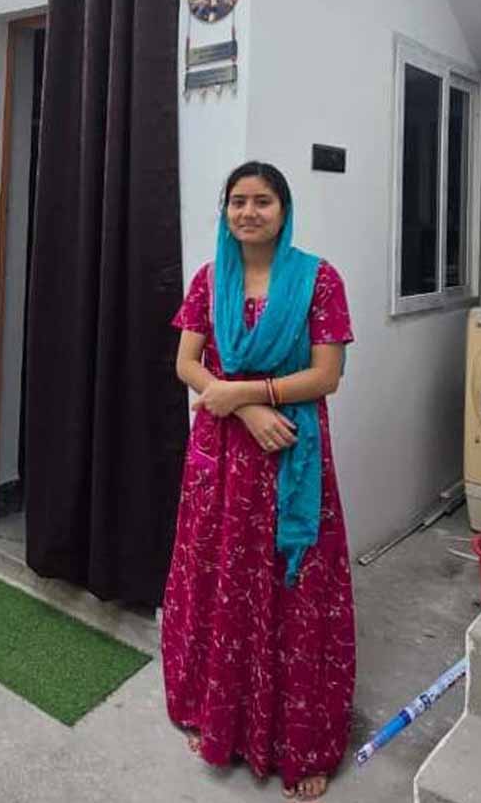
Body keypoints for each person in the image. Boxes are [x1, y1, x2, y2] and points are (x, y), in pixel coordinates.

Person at [161, 161, 355, 801]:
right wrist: (243, 407)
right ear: (225, 212)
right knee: (220, 578)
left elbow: (326, 376)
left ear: (283, 210)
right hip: (220, 455)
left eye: (262, 201)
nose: (248, 212)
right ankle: (219, 717)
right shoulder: (209, 279)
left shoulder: (318, 279)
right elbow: (187, 362)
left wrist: (248, 394)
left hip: (290, 452)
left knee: (293, 586)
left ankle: (301, 742)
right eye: (238, 201)